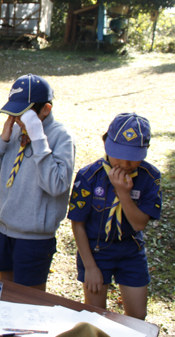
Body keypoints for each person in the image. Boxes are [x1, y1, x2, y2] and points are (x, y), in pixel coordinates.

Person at [0, 73, 75, 292]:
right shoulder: (16, 130)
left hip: (33, 238)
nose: (17, 120)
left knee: (29, 298)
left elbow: (56, 185)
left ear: (46, 109)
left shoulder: (60, 137)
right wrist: (3, 140)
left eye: (23, 115)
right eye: (13, 114)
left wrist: (38, 140)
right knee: (5, 290)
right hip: (3, 229)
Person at [68, 113, 161, 320]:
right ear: (106, 144)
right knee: (96, 316)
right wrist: (90, 267)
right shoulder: (89, 176)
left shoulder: (150, 177)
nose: (126, 163)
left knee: (137, 317)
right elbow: (78, 224)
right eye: (120, 154)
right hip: (95, 249)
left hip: (131, 250)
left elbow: (139, 224)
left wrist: (124, 194)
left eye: (134, 157)